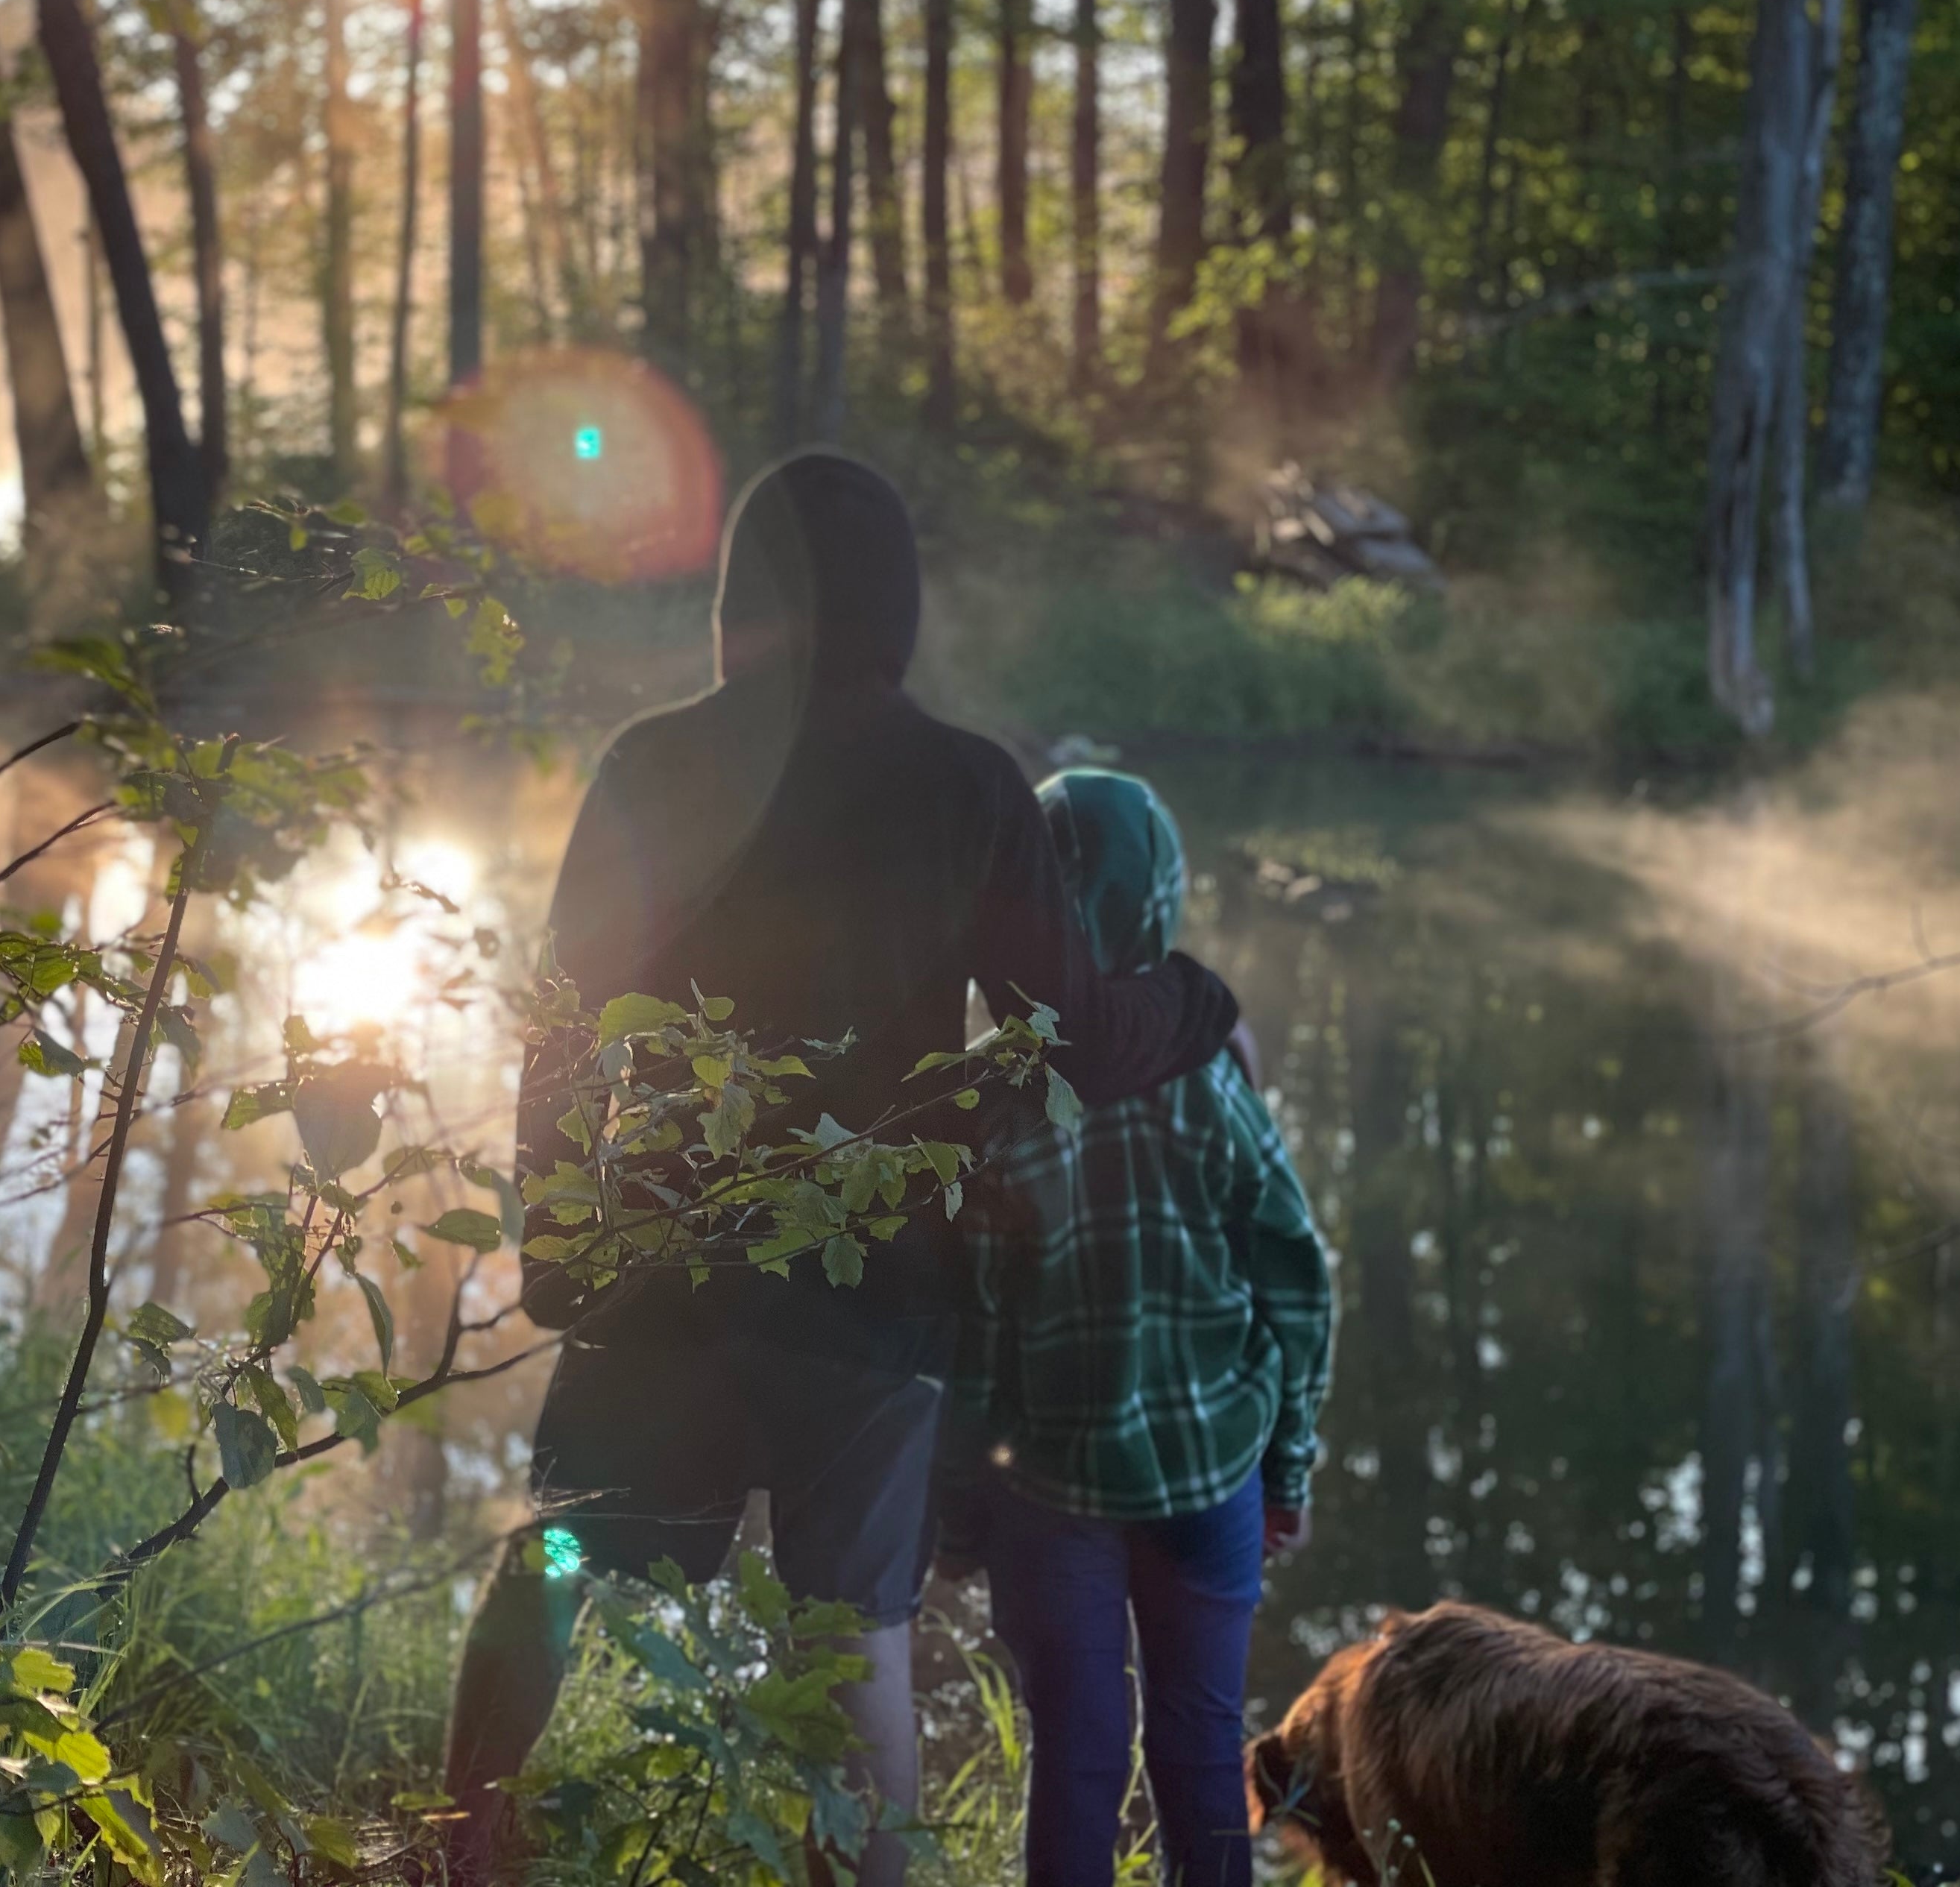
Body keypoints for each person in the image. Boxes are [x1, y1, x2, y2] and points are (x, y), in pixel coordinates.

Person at [439, 453, 1245, 1886]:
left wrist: (560, 1235)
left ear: (738, 596)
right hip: (874, 1290)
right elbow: (1065, 1045)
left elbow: (559, 1026)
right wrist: (1195, 998)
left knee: (561, 1553)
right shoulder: (968, 785)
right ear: (902, 604)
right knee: (854, 1629)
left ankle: (465, 1847)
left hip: (659, 1270)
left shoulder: (654, 764)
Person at [936, 766, 1334, 1887]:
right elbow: (1297, 1280)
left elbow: (974, 1341)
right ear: (1162, 892)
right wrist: (1288, 1466)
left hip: (1052, 1490)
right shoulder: (1216, 1070)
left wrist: (959, 1517)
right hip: (1213, 1478)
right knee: (1203, 1743)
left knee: (1073, 1757)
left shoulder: (989, 1096)